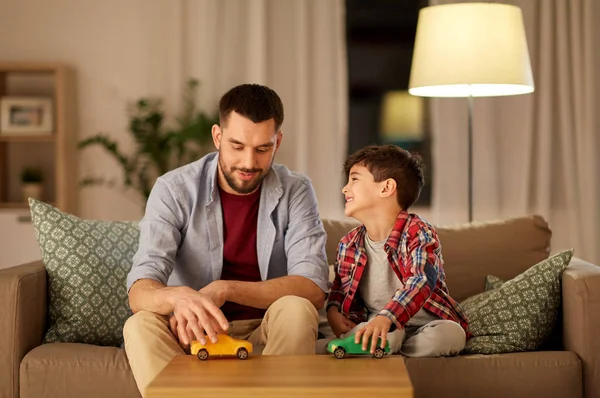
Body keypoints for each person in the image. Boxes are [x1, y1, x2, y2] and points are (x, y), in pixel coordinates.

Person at [123, 84, 329, 396]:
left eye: (262, 149)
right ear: (217, 137)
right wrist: (181, 299)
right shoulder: (173, 189)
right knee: (138, 326)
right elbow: (141, 290)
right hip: (192, 335)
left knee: (297, 309)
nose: (248, 163)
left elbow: (312, 288)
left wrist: (225, 289)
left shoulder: (296, 190)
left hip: (265, 331)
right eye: (237, 146)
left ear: (278, 142)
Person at [325, 145, 469, 357]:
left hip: (428, 324)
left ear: (386, 188)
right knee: (384, 334)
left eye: (354, 179)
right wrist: (333, 312)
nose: (345, 188)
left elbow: (421, 281)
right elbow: (339, 288)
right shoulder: (349, 244)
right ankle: (381, 345)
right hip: (379, 324)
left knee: (452, 335)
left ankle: (381, 350)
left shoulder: (419, 232)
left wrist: (389, 317)